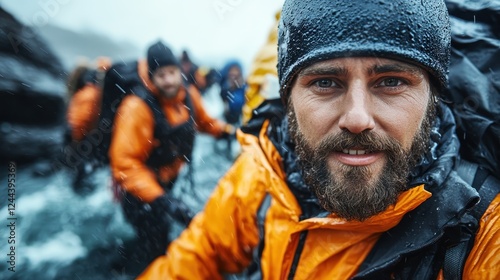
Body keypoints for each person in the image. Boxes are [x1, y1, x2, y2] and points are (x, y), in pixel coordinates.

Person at [138, 1, 500, 279]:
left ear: (433, 98)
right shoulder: (263, 176)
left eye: (391, 81)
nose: (357, 118)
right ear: (287, 98)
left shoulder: (481, 230)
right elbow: (197, 258)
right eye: (326, 82)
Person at [108, 41, 234, 273]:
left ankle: (126, 259)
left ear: (180, 71)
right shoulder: (136, 108)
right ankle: (125, 266)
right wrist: (161, 200)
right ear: (151, 77)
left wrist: (228, 132)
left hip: (166, 185)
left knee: (158, 236)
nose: (168, 80)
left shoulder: (189, 95)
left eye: (172, 72)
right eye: (161, 75)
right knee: (156, 242)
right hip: (139, 194)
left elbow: (204, 122)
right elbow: (124, 164)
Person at [64, 57, 111, 190]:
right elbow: (80, 121)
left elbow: (78, 121)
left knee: (80, 171)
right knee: (82, 172)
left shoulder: (87, 91)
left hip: (83, 139)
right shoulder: (92, 91)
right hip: (87, 139)